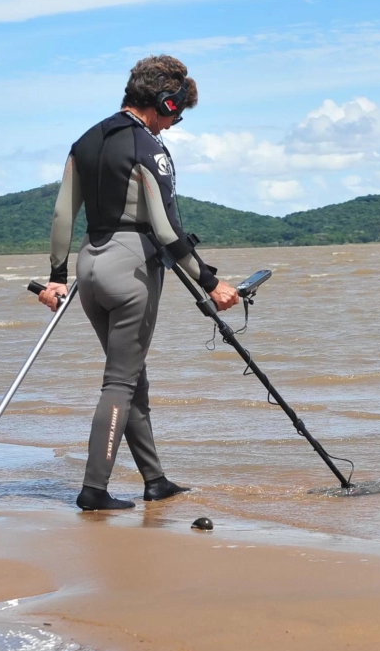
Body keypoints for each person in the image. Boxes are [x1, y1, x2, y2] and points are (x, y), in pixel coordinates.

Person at [38, 55, 239, 511]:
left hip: (89, 267)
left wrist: (56, 278)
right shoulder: (149, 148)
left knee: (129, 377)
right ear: (164, 102)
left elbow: (62, 217)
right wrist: (211, 282)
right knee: (119, 384)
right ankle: (94, 490)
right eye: (176, 114)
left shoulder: (85, 141)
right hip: (131, 270)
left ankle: (155, 479)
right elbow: (166, 230)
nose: (173, 125)